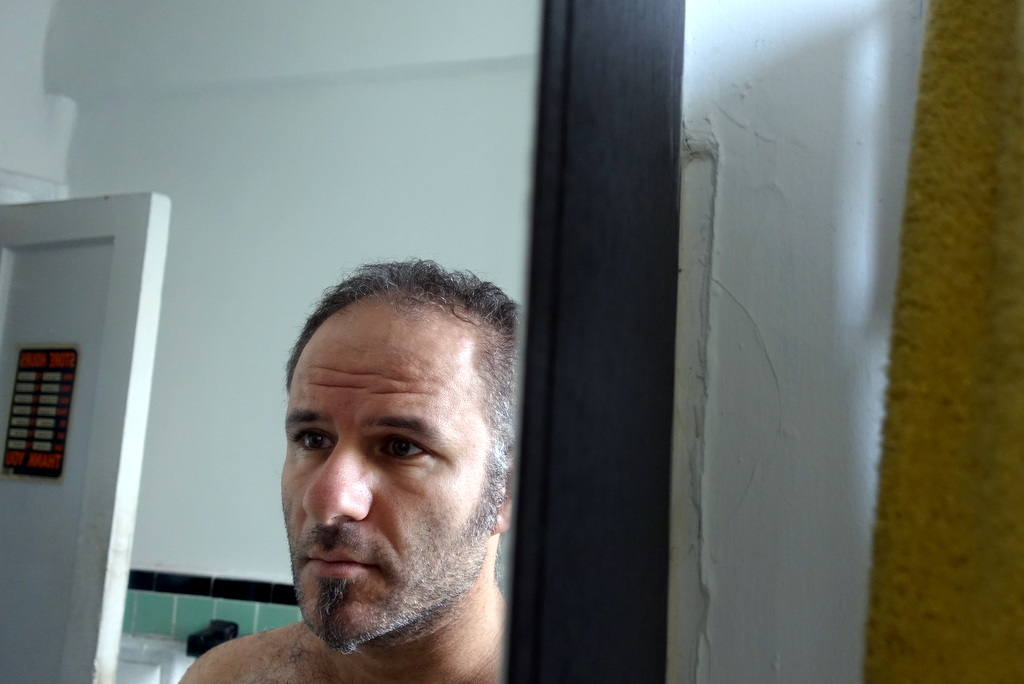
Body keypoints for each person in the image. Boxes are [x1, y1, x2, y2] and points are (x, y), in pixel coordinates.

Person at [181, 259, 518, 683]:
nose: (326, 501)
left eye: (401, 447)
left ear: (506, 489)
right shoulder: (226, 676)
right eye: (313, 439)